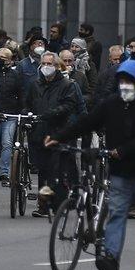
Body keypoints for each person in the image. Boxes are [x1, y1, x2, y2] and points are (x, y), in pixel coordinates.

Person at [47, 59, 135, 270]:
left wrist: (124, 150)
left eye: (129, 81)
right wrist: (57, 138)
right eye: (121, 81)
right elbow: (87, 122)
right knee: (117, 214)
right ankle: (110, 257)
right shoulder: (111, 104)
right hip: (120, 171)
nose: (125, 85)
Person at [25, 50, 85, 216]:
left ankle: (59, 204)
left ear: (57, 66)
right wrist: (27, 116)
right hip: (40, 133)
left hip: (60, 133)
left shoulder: (68, 85)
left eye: (49, 64)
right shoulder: (35, 84)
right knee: (43, 171)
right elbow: (28, 103)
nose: (46, 67)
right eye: (43, 64)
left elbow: (69, 105)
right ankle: (43, 205)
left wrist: (52, 113)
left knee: (58, 170)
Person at [0, 47, 25, 184]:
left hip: (10, 113)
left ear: (10, 60)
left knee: (7, 143)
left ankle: (4, 172)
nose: (0, 59)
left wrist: (21, 109)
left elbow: (21, 93)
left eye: (3, 58)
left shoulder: (15, 75)